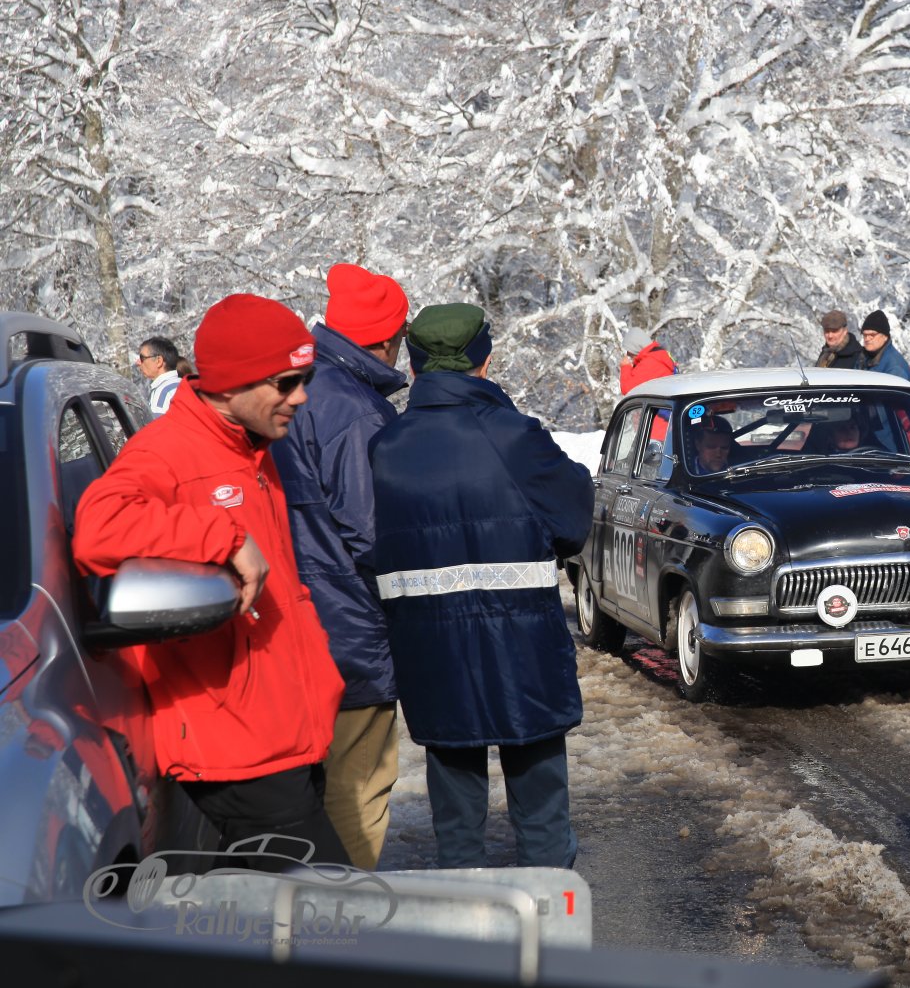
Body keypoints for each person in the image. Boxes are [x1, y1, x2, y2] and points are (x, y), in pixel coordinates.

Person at [72, 294, 348, 870]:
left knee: (278, 916)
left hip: (284, 731)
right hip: (237, 746)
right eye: (285, 382)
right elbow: (99, 527)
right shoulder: (169, 450)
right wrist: (222, 536)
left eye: (305, 380)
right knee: (335, 913)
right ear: (230, 384)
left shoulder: (251, 447)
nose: (300, 397)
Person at [369, 304, 593, 869]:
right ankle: (547, 915)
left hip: (431, 650)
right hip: (524, 648)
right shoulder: (515, 437)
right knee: (542, 821)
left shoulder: (384, 447)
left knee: (456, 827)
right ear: (484, 361)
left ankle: (463, 917)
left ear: (414, 368)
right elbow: (573, 524)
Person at [274, 262, 410, 870]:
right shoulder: (357, 411)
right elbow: (374, 531)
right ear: (387, 338)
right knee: (358, 787)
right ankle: (342, 914)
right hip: (350, 630)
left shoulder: (297, 386)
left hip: (295, 621)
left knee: (306, 788)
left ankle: (304, 902)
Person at [620, 326, 676, 394]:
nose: (628, 354)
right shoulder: (657, 355)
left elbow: (627, 390)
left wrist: (625, 367)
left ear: (636, 347)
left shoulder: (651, 362)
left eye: (630, 350)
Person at [859, 309, 910, 381]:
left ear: (885, 337)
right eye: (865, 335)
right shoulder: (863, 358)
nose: (867, 339)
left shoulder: (895, 368)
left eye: (872, 335)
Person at [137, 336, 182, 416]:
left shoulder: (163, 393)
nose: (138, 362)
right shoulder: (184, 384)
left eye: (142, 358)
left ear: (159, 361)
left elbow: (158, 423)